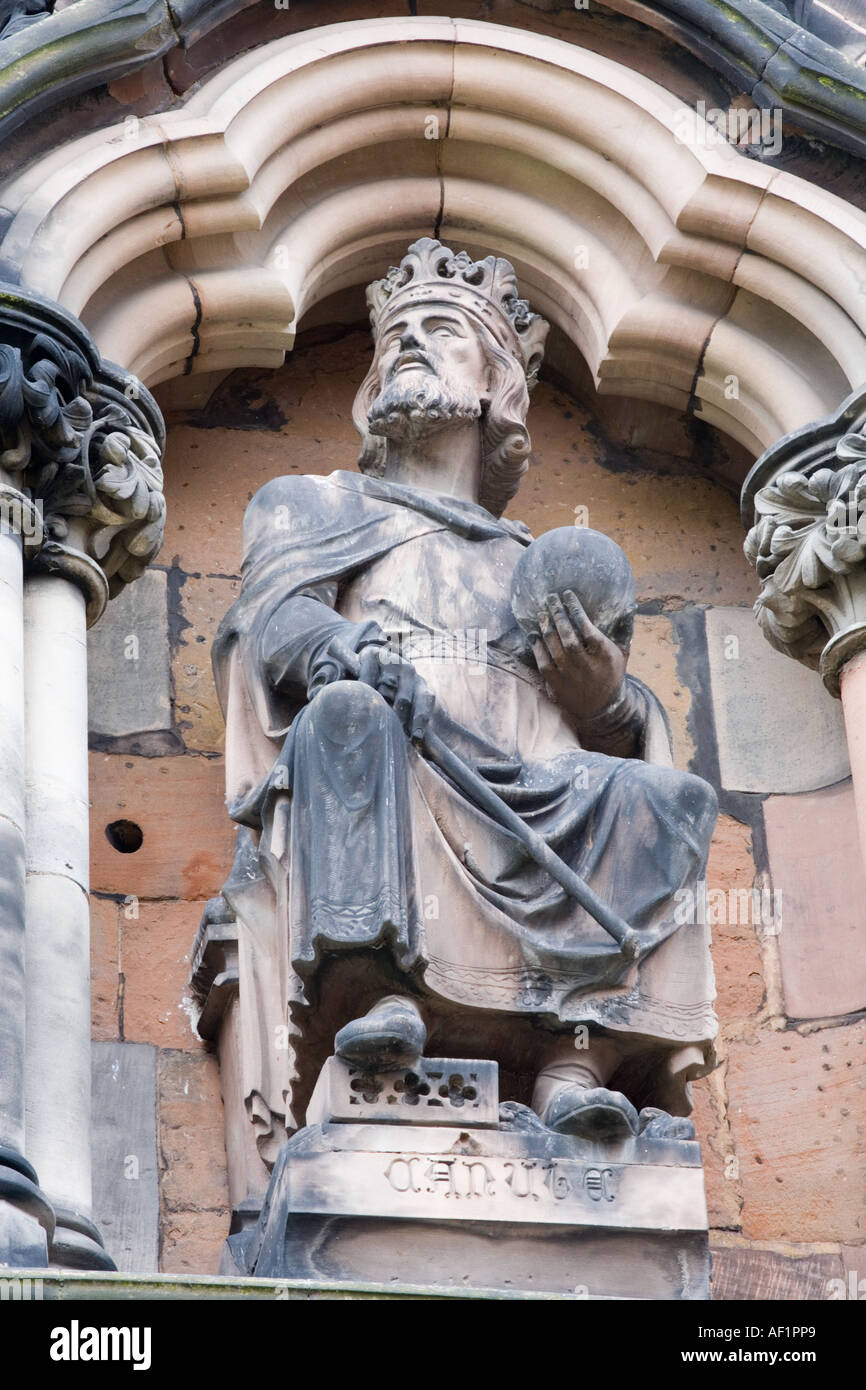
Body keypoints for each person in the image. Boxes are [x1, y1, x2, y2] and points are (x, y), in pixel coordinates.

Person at [213, 238, 718, 1155]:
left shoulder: (533, 560)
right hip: (402, 754)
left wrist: (610, 700)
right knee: (347, 719)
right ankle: (378, 990)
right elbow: (273, 627)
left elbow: (607, 717)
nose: (409, 342)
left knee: (663, 799)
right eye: (395, 333)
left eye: (440, 330)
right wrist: (350, 650)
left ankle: (578, 1062)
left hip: (531, 782)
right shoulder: (314, 505)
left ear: (496, 385)